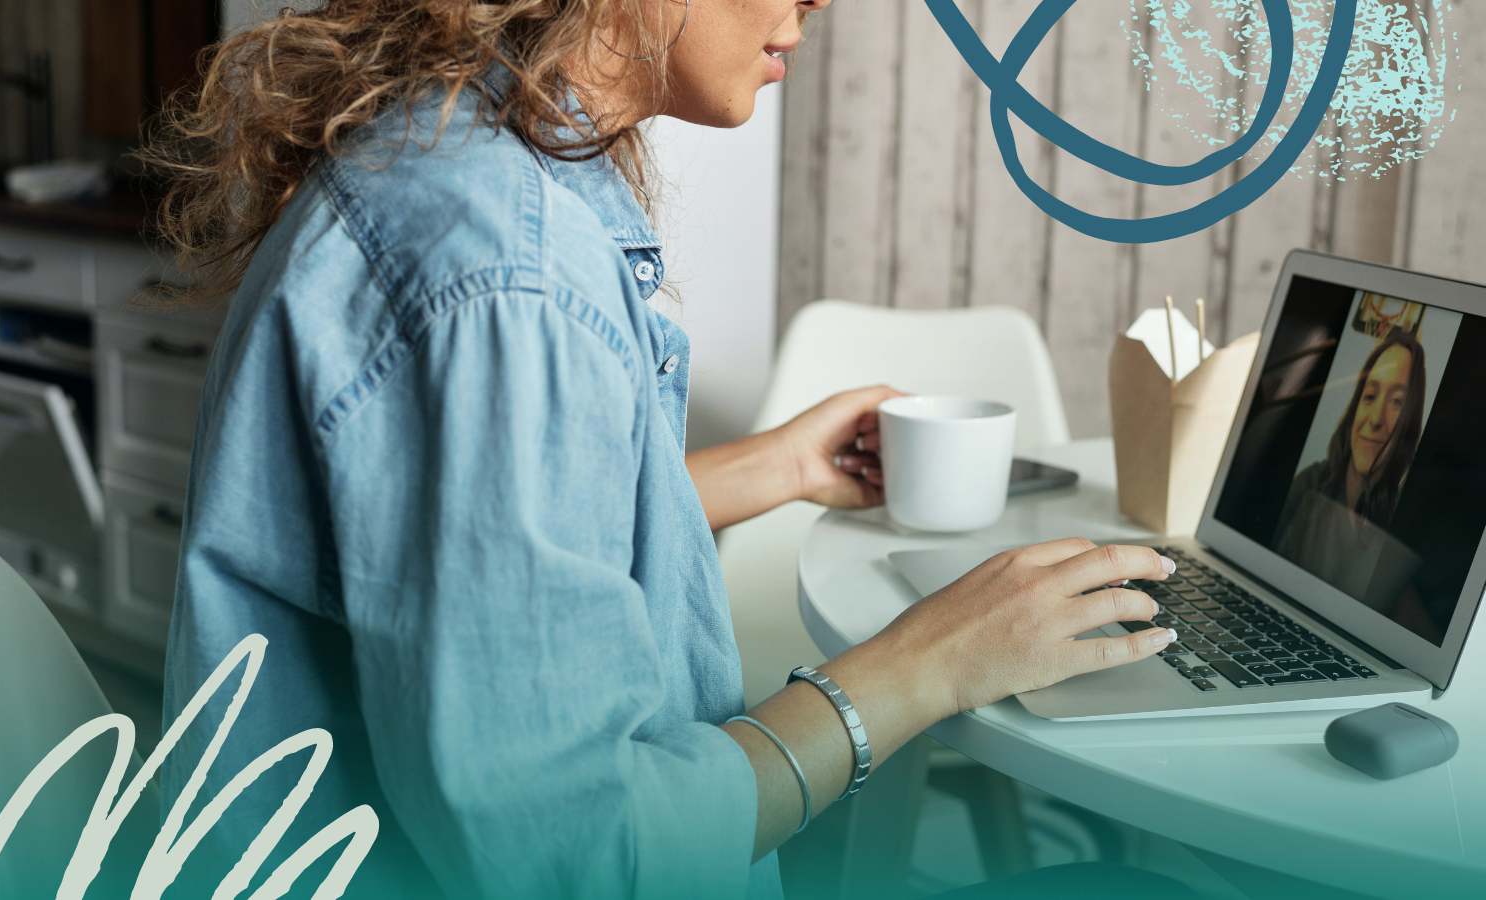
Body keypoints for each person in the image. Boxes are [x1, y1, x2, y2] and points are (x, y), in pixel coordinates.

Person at [143, 1, 1194, 896]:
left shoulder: (444, 161)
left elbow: (462, 565)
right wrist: (928, 665)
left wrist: (775, 466)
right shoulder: (511, 275)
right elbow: (579, 855)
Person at [1274, 331, 1427, 606]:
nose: (1376, 419)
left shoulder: (1401, 521)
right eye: (1370, 396)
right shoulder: (1308, 487)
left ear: (1410, 421)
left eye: (1396, 402)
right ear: (1357, 403)